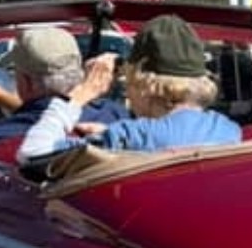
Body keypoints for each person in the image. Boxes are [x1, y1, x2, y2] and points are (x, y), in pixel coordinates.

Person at [66, 16, 242, 151]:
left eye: (128, 78)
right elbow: (177, 134)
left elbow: (40, 150)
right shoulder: (228, 129)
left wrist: (82, 94)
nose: (126, 90)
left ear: (144, 83)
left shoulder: (129, 136)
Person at [0, 27, 119, 163]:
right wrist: (3, 98)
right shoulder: (114, 116)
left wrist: (0, 97)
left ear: (26, 82)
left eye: (15, 74)